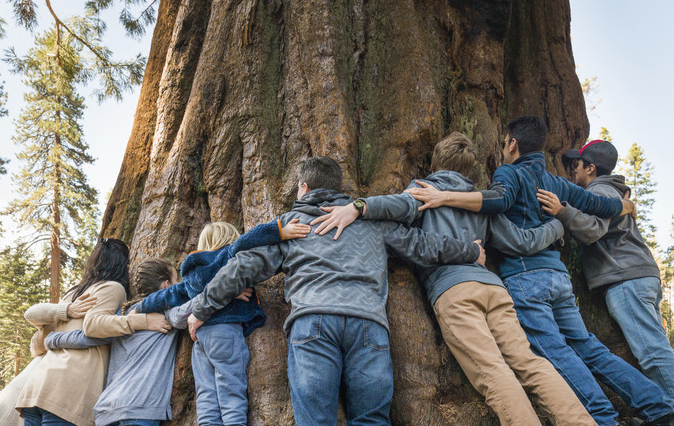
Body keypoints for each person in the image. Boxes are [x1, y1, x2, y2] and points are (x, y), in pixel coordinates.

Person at [310, 132, 596, 426]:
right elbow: (522, 242)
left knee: (493, 372)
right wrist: (558, 225)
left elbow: (396, 206)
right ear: (469, 169)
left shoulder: (424, 189)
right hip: (494, 290)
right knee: (531, 364)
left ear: (435, 162)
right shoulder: (480, 201)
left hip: (455, 292)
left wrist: (358, 207)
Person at [403, 117, 673, 426]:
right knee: (586, 345)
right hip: (558, 277)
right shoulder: (555, 182)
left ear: (512, 144)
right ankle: (656, 405)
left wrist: (444, 197)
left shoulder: (509, 173)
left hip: (524, 279)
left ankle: (603, 419)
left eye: (504, 143)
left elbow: (500, 201)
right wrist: (623, 207)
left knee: (555, 352)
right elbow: (599, 205)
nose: (503, 149)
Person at [187, 156, 485, 425]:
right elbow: (423, 244)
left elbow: (241, 268)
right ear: (339, 188)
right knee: (371, 421)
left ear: (303, 188)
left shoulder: (292, 225)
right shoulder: (371, 221)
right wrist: (469, 251)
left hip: (312, 324)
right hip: (367, 323)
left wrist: (201, 310)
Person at [536, 139, 674, 408]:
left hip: (627, 279)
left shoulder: (601, 191)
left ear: (590, 167)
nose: (572, 170)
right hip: (636, 275)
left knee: (651, 351)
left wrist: (563, 212)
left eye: (576, 164)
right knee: (655, 347)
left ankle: (669, 411)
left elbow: (593, 230)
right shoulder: (611, 191)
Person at [135, 219, 311, 426]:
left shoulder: (191, 273)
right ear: (229, 239)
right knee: (231, 389)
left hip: (199, 339)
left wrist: (140, 307)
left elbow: (170, 294)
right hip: (225, 332)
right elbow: (252, 236)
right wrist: (281, 230)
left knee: (206, 392)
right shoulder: (228, 255)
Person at [15, 238, 171, 426]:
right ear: (122, 265)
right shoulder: (113, 288)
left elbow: (38, 341)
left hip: (38, 387)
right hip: (68, 390)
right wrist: (143, 321)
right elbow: (94, 325)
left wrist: (58, 329)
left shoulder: (73, 293)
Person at [43, 258, 196, 426]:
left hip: (107, 410)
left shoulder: (121, 317)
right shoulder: (166, 314)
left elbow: (83, 338)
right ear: (167, 285)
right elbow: (194, 307)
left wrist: (51, 339)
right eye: (176, 280)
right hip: (139, 407)